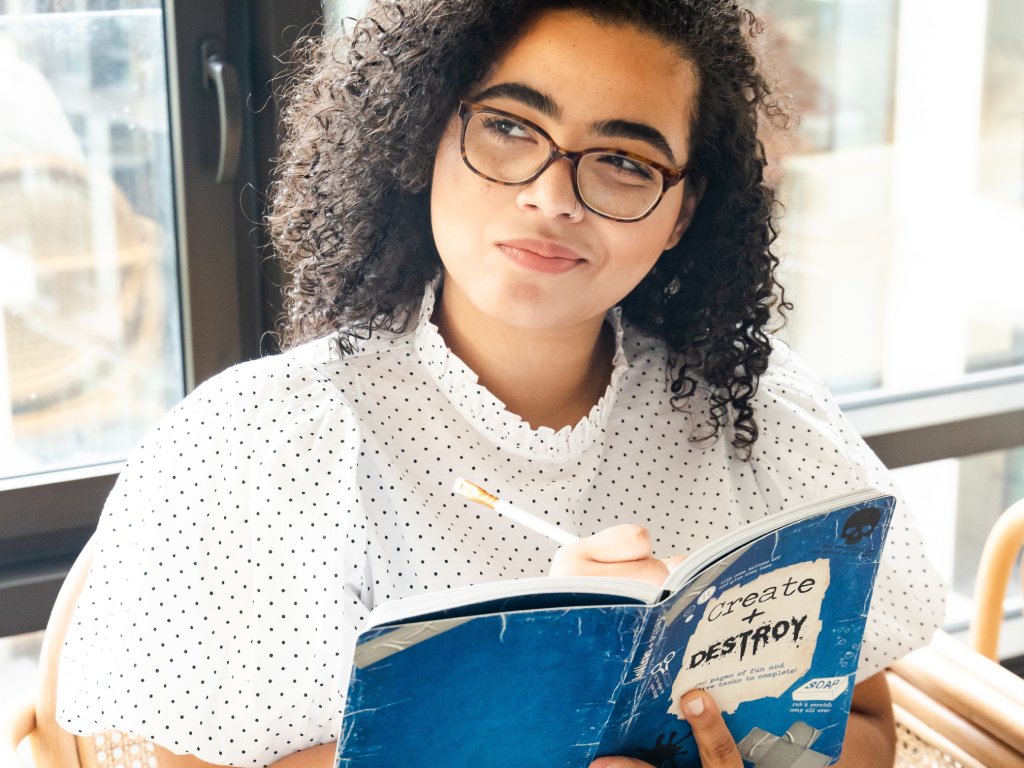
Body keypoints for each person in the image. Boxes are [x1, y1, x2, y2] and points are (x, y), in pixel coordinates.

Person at [56, 1, 947, 766]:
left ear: (682, 213)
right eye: (512, 128)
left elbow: (865, 724)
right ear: (422, 135)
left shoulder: (757, 411)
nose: (553, 197)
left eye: (625, 161)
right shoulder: (256, 442)